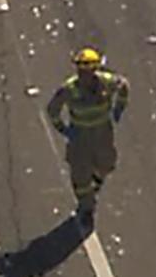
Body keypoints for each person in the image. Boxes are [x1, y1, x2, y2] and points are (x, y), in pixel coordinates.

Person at [46, 47, 129, 224]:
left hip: (102, 134)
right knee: (80, 176)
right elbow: (53, 110)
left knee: (107, 164)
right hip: (80, 139)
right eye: (81, 70)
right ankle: (86, 209)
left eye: (88, 71)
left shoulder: (106, 82)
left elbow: (123, 86)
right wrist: (64, 129)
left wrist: (118, 109)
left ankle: (96, 181)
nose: (84, 75)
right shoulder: (68, 90)